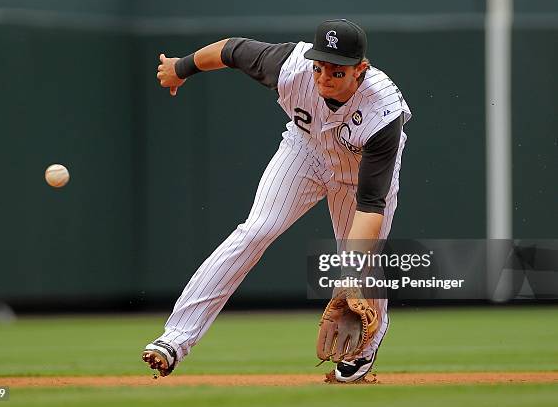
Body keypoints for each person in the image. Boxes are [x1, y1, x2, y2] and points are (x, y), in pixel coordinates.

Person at [143, 19, 411, 382]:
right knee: (254, 231)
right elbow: (231, 49)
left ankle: (364, 350)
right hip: (304, 151)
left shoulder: (383, 112)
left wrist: (348, 276)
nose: (324, 76)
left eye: (337, 70)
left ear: (360, 69)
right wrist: (180, 67)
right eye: (320, 66)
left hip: (357, 175)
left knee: (359, 265)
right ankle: (174, 340)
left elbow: (369, 207)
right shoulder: (291, 64)